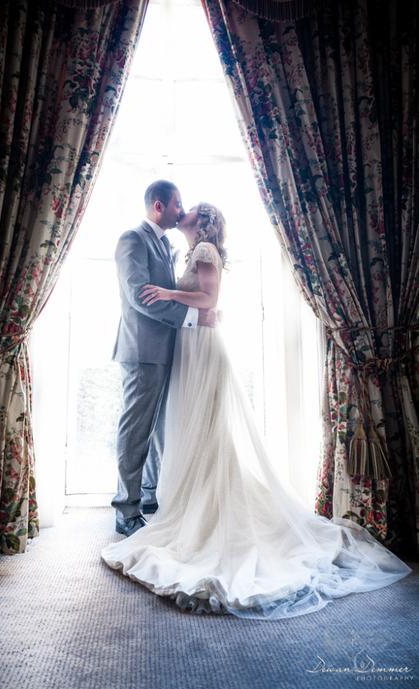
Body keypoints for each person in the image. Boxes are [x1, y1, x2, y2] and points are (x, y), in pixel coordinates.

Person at [102, 202, 412, 620]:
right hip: (187, 346)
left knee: (207, 430)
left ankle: (193, 505)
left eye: (189, 209)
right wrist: (191, 308)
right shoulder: (177, 249)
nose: (183, 212)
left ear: (203, 220)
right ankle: (170, 499)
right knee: (183, 429)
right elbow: (197, 302)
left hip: (203, 350)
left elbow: (208, 296)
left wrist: (175, 294)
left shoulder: (205, 250)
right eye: (179, 206)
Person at [111, 181, 215, 538]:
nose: (180, 210)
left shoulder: (166, 244)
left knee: (158, 429)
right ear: (159, 206)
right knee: (136, 428)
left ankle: (149, 495)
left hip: (169, 351)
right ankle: (126, 509)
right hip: (142, 351)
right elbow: (141, 297)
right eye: (177, 204)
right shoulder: (133, 239)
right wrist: (191, 319)